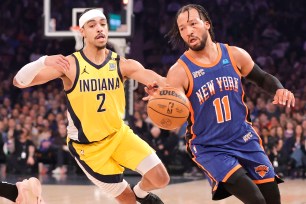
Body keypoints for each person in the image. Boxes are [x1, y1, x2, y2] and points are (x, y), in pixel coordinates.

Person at [13, 8, 169, 204]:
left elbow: (162, 81)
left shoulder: (121, 64)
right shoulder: (70, 65)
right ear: (82, 32)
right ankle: (135, 198)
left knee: (161, 178)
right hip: (89, 149)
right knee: (128, 201)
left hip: (119, 135)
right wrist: (43, 60)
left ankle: (140, 193)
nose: (99, 29)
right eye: (92, 25)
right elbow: (20, 82)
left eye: (103, 24)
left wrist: (161, 91)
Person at [160, 4, 295, 203]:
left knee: (272, 198)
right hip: (210, 146)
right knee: (255, 199)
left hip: (243, 137)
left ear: (207, 24)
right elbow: (171, 105)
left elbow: (262, 78)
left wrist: (279, 88)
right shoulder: (179, 71)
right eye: (182, 28)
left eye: (192, 24)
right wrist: (162, 97)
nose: (188, 31)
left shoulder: (234, 54)